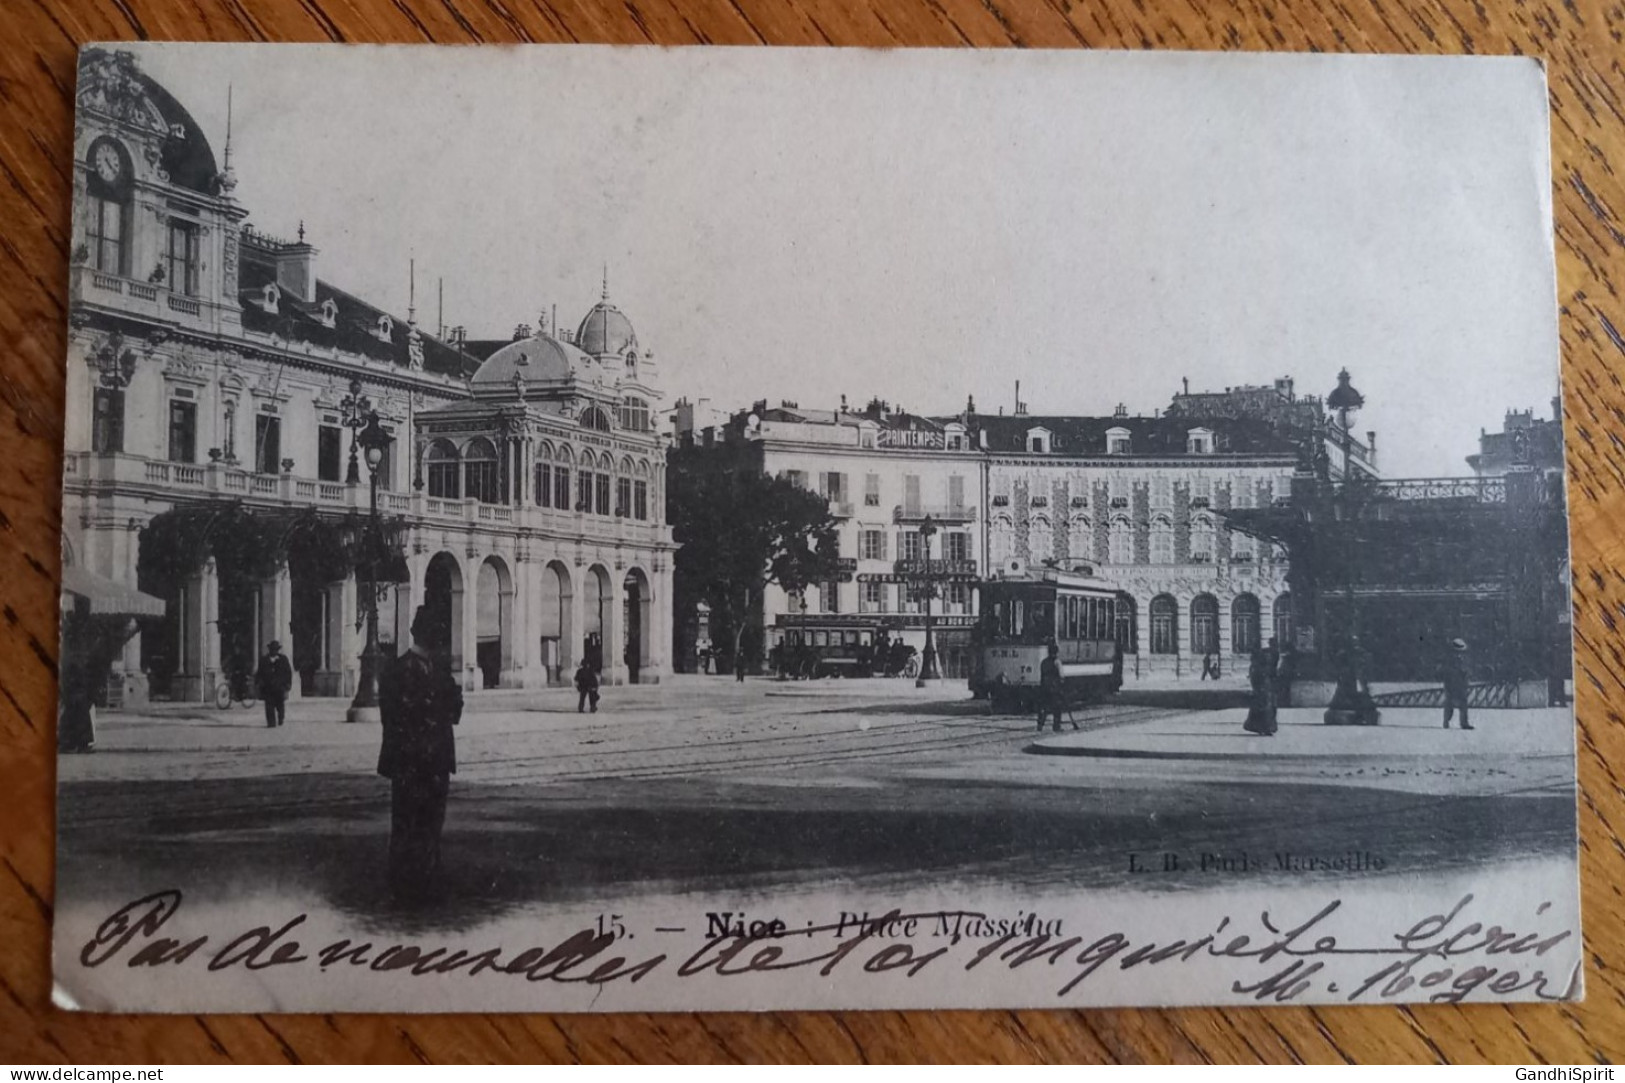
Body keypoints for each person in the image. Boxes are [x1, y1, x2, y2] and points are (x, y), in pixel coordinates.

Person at [377, 605, 463, 905]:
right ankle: (417, 884)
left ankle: (410, 884)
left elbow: (388, 716)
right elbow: (454, 712)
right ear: (435, 638)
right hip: (428, 760)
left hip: (409, 760)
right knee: (426, 823)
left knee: (407, 821)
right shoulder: (438, 673)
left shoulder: (395, 669)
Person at [1036, 640, 1074, 733]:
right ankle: (1056, 726)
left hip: (1045, 688)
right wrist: (1062, 687)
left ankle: (1040, 725)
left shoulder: (1044, 662)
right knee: (1057, 708)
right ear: (1056, 652)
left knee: (1044, 708)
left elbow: (1042, 675)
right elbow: (1061, 676)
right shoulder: (1057, 662)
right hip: (1055, 689)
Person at [1242, 642, 1279, 736]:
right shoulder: (1259, 668)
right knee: (1265, 710)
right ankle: (1265, 728)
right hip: (1264, 692)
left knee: (1265, 710)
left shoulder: (1257, 667)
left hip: (1265, 692)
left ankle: (1265, 728)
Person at [256, 640, 293, 728]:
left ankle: (281, 717)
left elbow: (288, 672)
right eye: (272, 649)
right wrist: (258, 682)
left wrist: (288, 684)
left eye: (275, 649)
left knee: (280, 704)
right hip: (268, 687)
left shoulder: (283, 659)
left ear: (278, 650)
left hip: (279, 687)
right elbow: (259, 672)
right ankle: (271, 722)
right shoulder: (264, 660)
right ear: (269, 650)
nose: (274, 651)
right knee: (269, 705)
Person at [1442, 638, 1473, 730]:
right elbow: (1448, 673)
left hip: (1460, 684)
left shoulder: (1462, 659)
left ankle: (1464, 722)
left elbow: (1465, 671)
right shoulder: (1450, 661)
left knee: (1463, 703)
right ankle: (1446, 721)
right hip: (1452, 684)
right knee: (1449, 703)